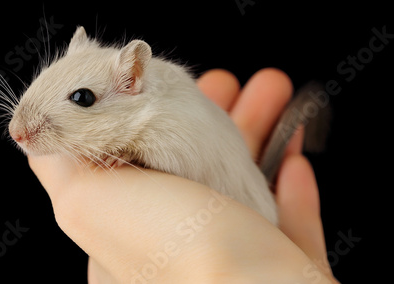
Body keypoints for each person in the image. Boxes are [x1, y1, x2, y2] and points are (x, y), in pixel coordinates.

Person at [27, 68, 339, 283]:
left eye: (82, 100)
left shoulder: (167, 122)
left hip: (249, 210)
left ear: (133, 81)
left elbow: (181, 156)